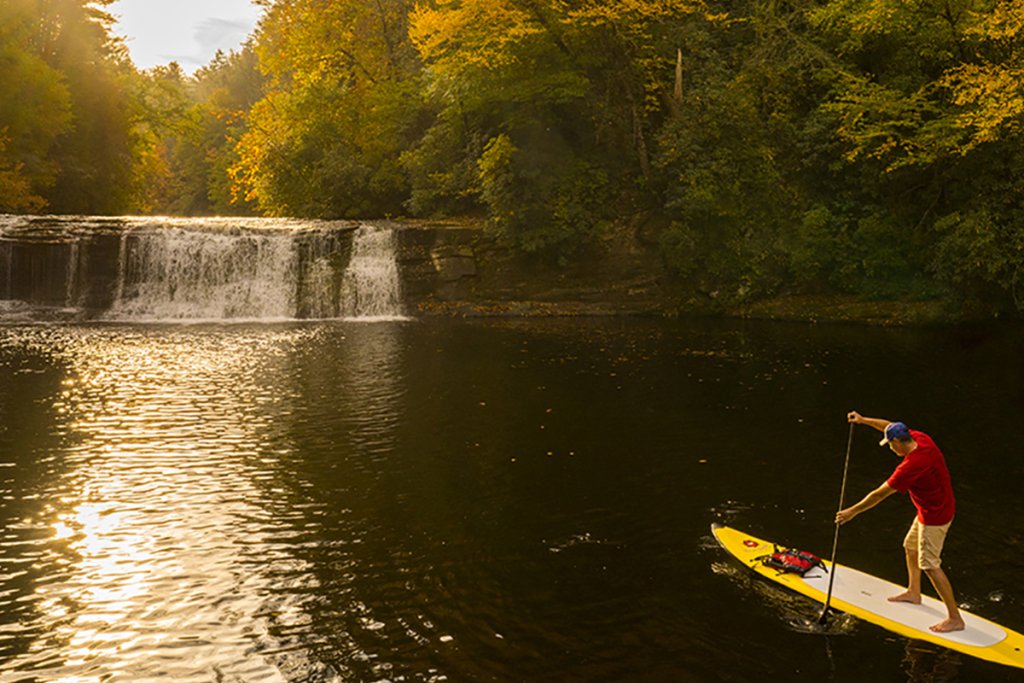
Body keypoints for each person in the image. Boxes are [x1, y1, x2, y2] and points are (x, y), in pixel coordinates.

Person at [836, 411, 964, 633]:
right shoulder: (920, 438)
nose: (890, 448)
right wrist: (863, 420)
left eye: (890, 445)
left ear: (897, 442)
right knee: (910, 546)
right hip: (929, 510)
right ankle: (914, 592)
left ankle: (955, 618)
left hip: (936, 516)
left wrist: (852, 512)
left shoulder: (910, 467)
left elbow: (878, 495)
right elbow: (888, 425)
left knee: (930, 565)